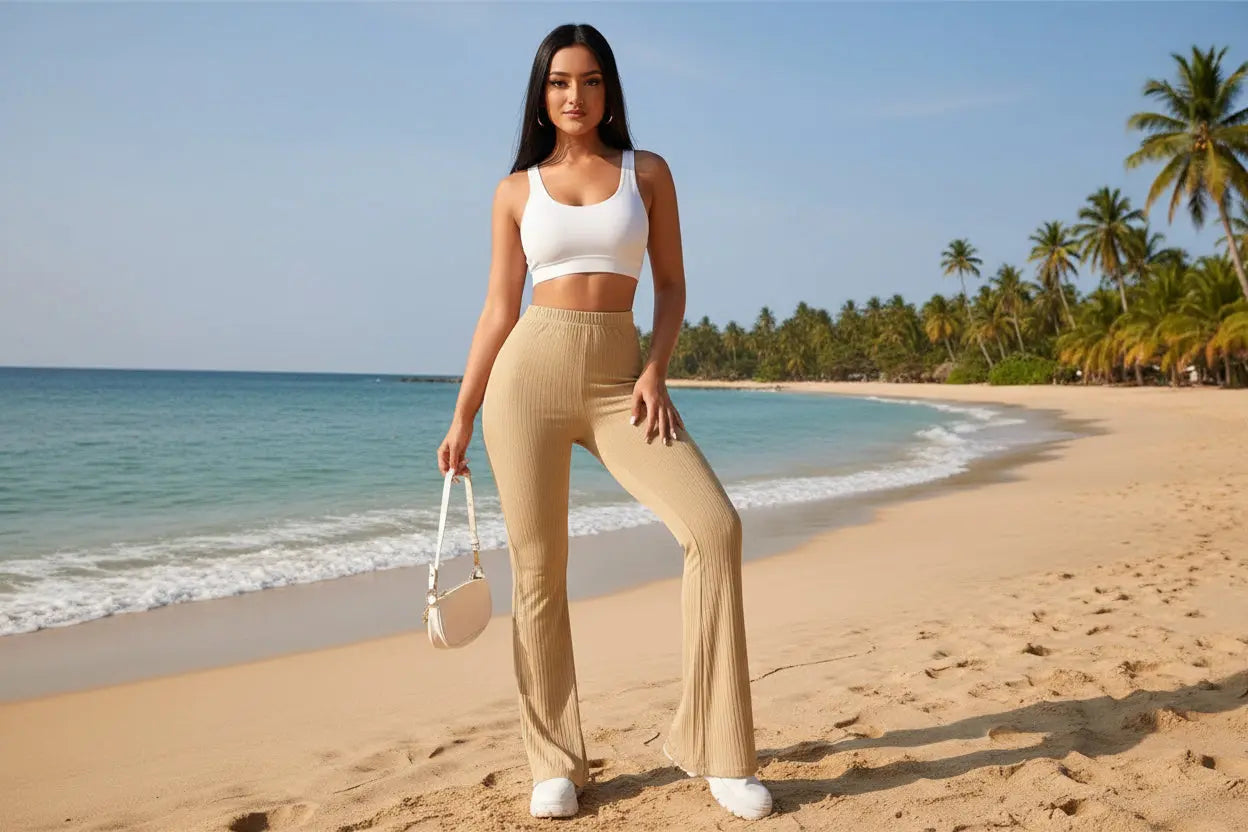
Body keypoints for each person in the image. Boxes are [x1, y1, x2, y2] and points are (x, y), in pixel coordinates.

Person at [436, 23, 773, 822]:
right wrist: (462, 412)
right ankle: (554, 761)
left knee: (714, 528)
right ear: (541, 93)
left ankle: (718, 748)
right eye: (559, 83)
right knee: (541, 574)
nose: (574, 96)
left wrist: (657, 369)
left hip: (624, 378)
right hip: (528, 379)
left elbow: (674, 286)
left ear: (610, 90)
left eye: (589, 82)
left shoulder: (645, 173)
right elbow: (496, 309)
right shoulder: (515, 189)